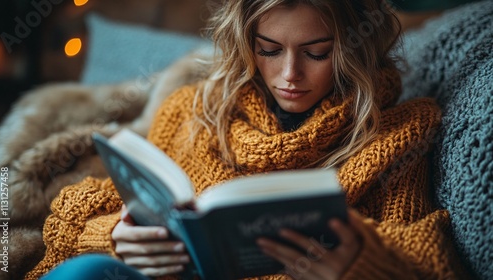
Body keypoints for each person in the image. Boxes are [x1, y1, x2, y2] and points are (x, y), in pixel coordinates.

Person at [27, 0, 471, 279]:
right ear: (245, 42)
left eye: (317, 52)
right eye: (270, 50)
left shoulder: (400, 134)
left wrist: (360, 267)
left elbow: (425, 257)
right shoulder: (193, 111)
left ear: (356, 46)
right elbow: (86, 214)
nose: (290, 75)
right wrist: (115, 237)